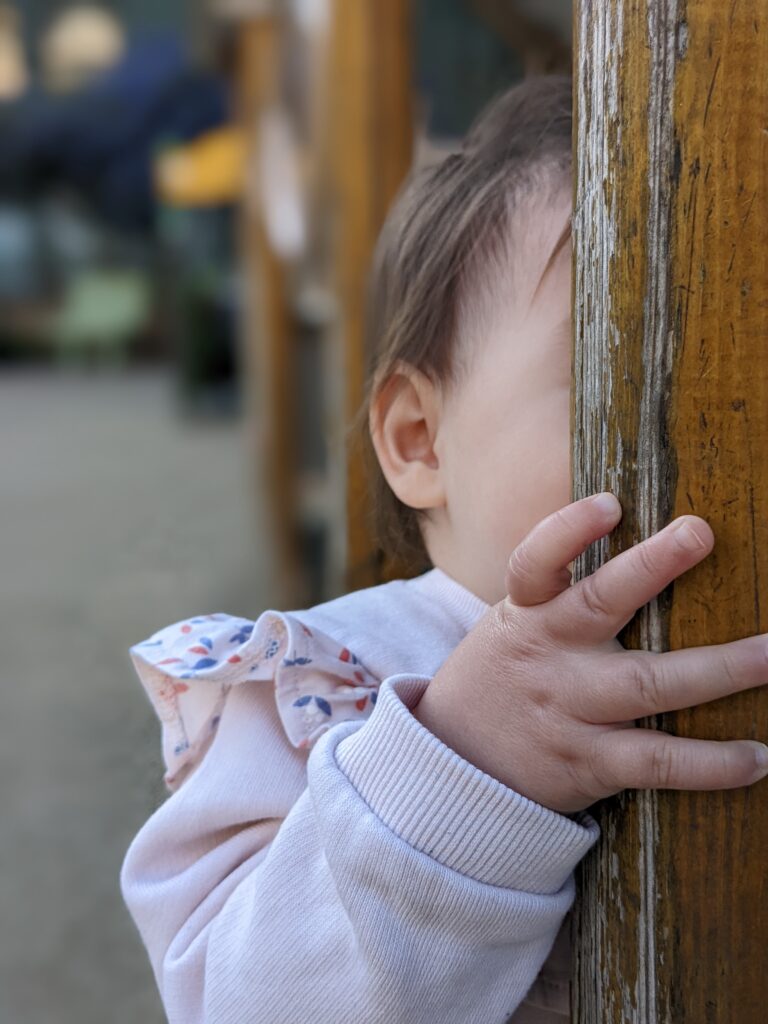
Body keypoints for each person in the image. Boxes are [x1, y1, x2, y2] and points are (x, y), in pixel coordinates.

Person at [120, 75, 768, 1023]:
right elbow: (238, 1000)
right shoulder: (317, 687)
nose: (724, 437)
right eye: (632, 383)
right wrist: (470, 764)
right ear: (420, 440)